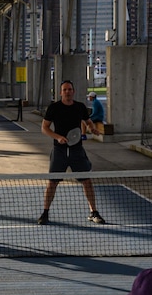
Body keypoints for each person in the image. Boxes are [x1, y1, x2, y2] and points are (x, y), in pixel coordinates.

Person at [38, 80, 103, 224]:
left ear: (73, 91)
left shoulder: (80, 107)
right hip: (59, 150)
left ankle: (94, 212)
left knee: (87, 181)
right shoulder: (54, 108)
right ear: (61, 92)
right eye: (65, 90)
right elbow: (44, 128)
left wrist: (92, 128)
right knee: (52, 183)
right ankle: (45, 213)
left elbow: (87, 121)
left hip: (77, 150)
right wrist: (58, 137)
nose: (67, 92)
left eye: (70, 89)